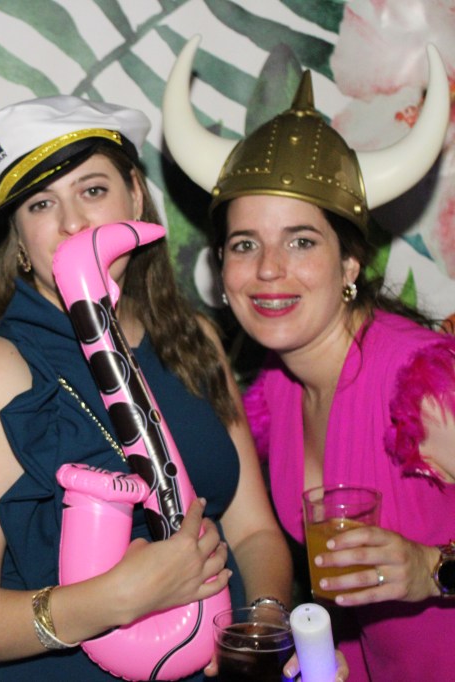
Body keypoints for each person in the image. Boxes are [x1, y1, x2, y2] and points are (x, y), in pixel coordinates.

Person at [0, 94, 295, 681]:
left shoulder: (192, 338)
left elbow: (253, 529)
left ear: (136, 196)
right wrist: (113, 599)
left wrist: (264, 625)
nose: (72, 223)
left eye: (92, 190)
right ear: (19, 236)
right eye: (42, 204)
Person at [163, 36, 455, 681]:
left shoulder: (423, 387)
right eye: (245, 244)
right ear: (222, 268)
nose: (269, 270)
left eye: (300, 241)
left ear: (349, 263)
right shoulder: (277, 391)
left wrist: (434, 569)